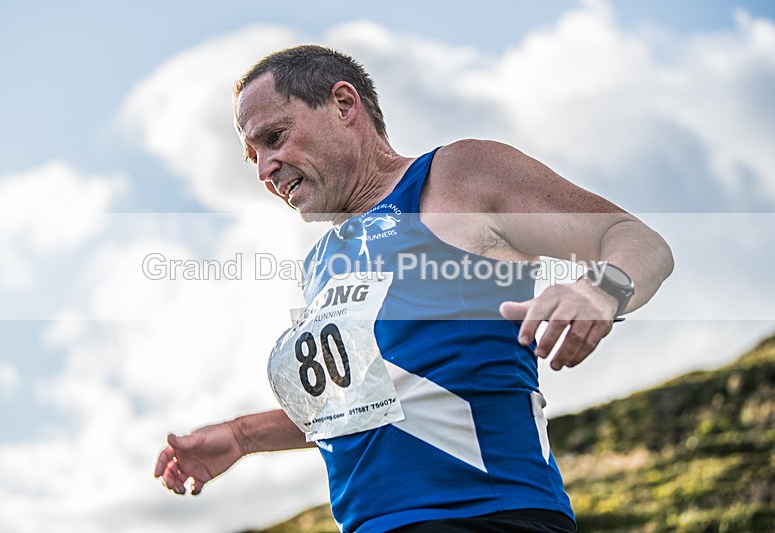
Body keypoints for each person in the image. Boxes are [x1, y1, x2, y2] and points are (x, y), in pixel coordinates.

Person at [155, 45, 674, 532]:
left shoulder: (456, 176)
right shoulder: (321, 263)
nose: (266, 170)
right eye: (253, 158)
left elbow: (636, 241)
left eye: (274, 138)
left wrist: (599, 288)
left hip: (489, 515)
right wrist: (244, 437)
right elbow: (373, 401)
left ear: (342, 104)